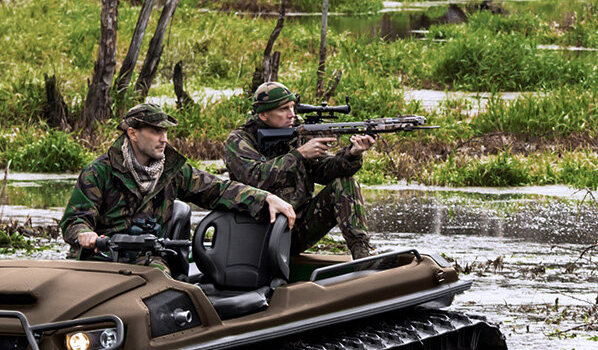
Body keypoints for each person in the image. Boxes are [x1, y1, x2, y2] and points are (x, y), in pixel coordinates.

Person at [61, 103, 296, 273]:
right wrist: (85, 235)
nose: (164, 139)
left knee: (160, 287)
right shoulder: (99, 172)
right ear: (132, 133)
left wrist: (265, 198)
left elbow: (218, 190)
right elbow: (75, 220)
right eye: (156, 131)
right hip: (99, 260)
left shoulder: (173, 171)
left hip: (146, 262)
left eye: (166, 132)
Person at [223, 82, 376, 260]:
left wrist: (352, 153)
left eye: (293, 107)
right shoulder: (239, 140)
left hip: (296, 226)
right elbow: (255, 178)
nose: (292, 115)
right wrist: (300, 154)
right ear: (263, 114)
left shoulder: (296, 133)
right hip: (257, 233)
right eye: (283, 109)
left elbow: (325, 172)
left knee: (346, 183)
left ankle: (362, 255)